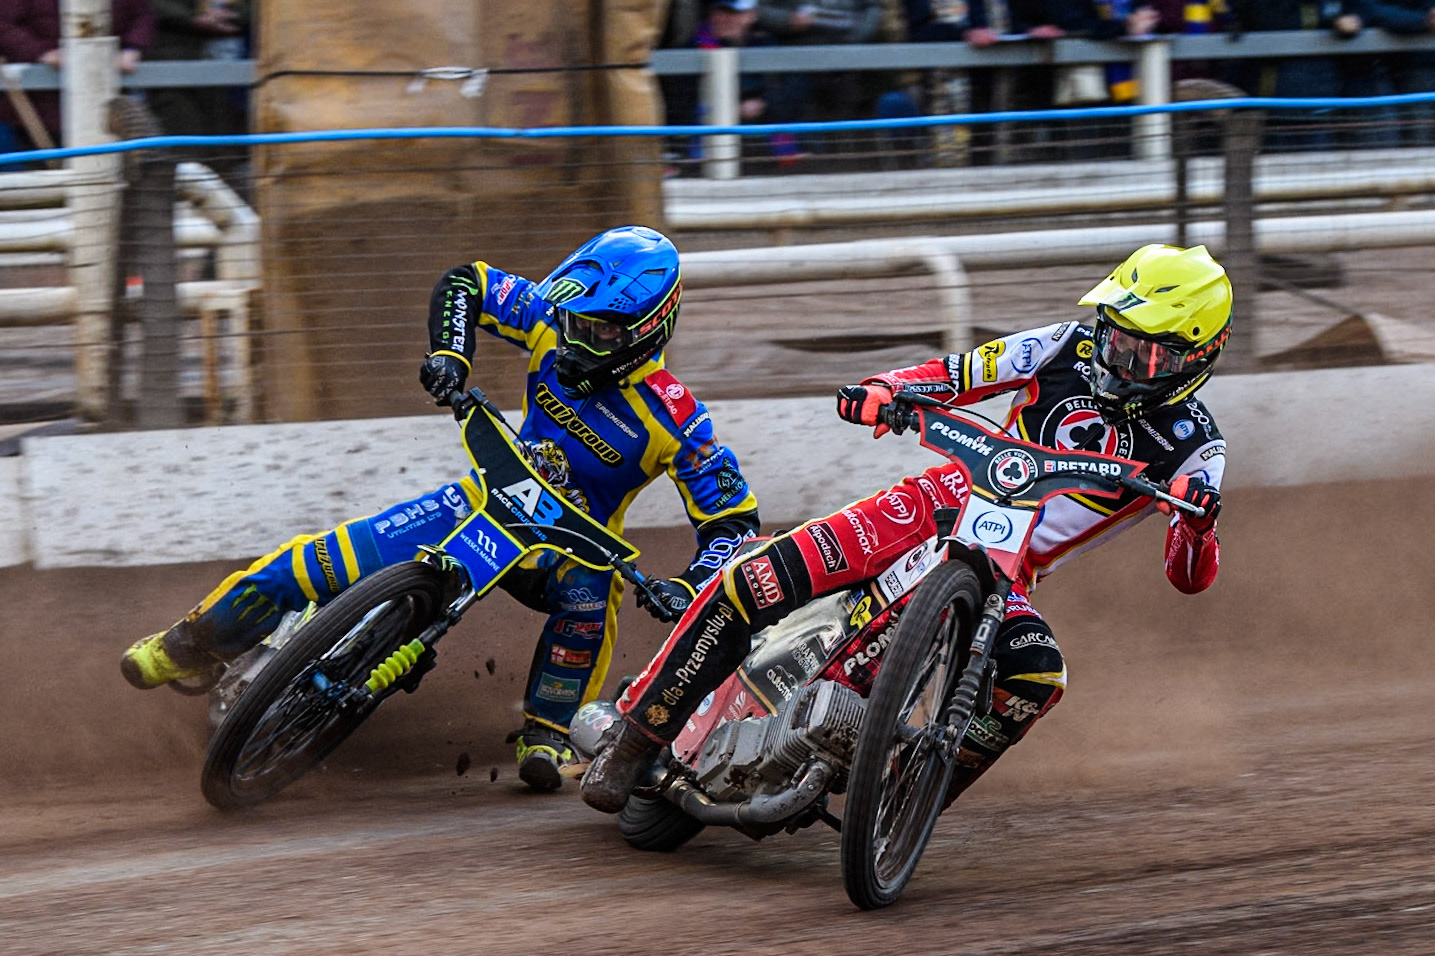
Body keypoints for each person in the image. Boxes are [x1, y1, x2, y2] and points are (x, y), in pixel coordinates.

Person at [582, 243, 1230, 814]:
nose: (1116, 357)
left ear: (1194, 357)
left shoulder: (1195, 448)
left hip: (1009, 573)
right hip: (929, 503)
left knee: (1036, 677)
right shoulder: (1063, 344)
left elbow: (1187, 577)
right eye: (1113, 335)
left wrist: (1197, 526)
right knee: (756, 578)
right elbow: (959, 373)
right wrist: (882, 389)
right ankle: (637, 737)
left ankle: (908, 792)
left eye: (1140, 352)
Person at [121, 225, 762, 792]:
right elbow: (467, 283)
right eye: (569, 323)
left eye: (593, 331)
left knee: (590, 605)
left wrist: (691, 584)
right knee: (315, 561)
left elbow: (733, 522)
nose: (570, 339)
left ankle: (547, 734)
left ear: (645, 330)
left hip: (573, 548)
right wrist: (449, 354)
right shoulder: (552, 316)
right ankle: (194, 641)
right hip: (486, 500)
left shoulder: (678, 419)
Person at [0, 0, 154, 153]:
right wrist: (41, 52)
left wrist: (132, 48)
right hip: (34, 114)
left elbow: (142, 15)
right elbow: (4, 24)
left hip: (111, 105)